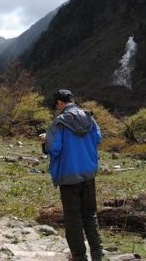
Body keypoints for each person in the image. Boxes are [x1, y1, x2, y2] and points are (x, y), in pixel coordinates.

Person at [41, 89, 103, 261]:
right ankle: (97, 255)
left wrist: (45, 141)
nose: (57, 108)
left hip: (69, 176)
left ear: (60, 103)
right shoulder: (89, 118)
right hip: (89, 174)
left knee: (73, 218)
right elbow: (98, 139)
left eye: (56, 105)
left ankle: (79, 257)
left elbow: (54, 148)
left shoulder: (59, 123)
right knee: (90, 215)